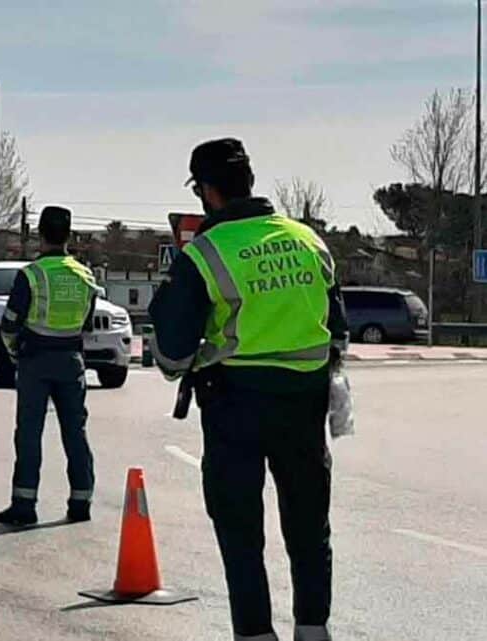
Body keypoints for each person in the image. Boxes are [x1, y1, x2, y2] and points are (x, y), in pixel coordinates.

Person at [148, 138, 346, 641]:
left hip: (234, 402)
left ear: (207, 193)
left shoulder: (207, 253)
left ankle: (256, 634)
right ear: (251, 182)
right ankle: (313, 630)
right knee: (308, 526)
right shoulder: (308, 240)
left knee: (240, 530)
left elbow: (170, 351)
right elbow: (337, 327)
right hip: (305, 400)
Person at [0, 206, 97, 526]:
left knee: (29, 434)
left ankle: (24, 505)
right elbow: (88, 324)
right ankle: (81, 501)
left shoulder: (32, 275)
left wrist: (13, 353)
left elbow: (9, 324)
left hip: (35, 359)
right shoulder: (85, 274)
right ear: (69, 235)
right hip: (72, 360)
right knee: (75, 432)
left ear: (40, 235)